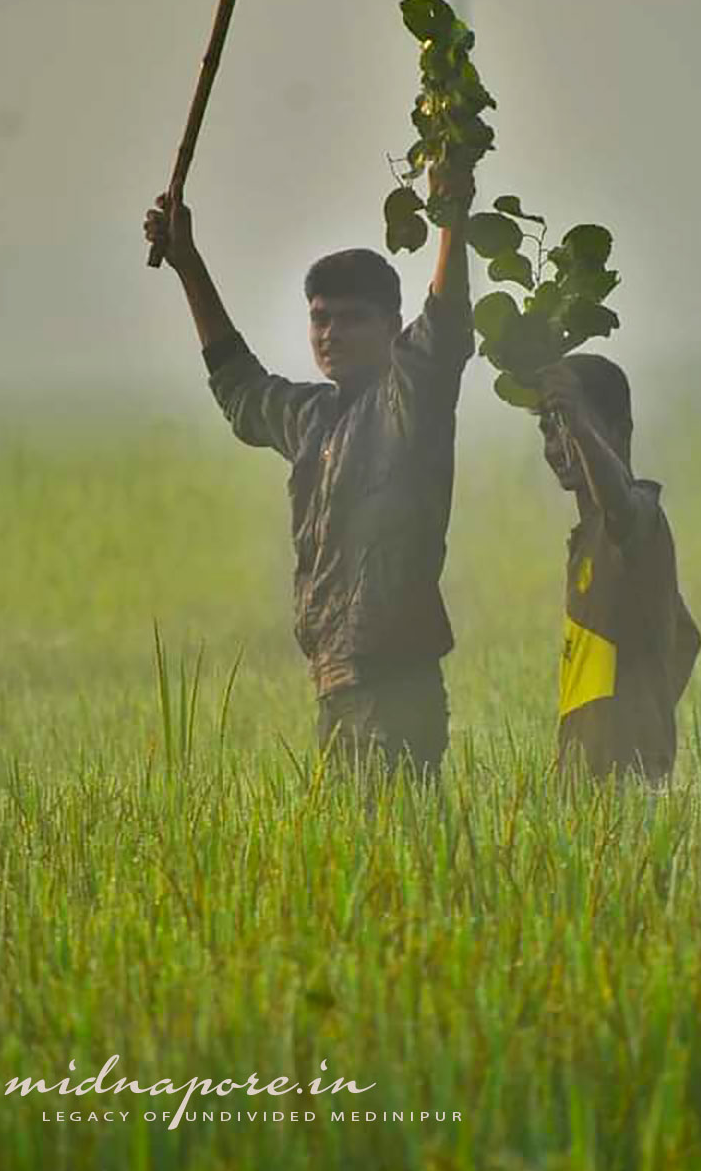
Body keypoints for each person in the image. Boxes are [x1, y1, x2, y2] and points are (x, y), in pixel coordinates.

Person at [143, 184, 473, 779]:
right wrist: (188, 266)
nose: (331, 333)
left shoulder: (407, 405)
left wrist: (453, 213)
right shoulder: (314, 418)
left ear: (394, 328)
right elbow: (241, 390)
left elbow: (444, 329)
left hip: (396, 682)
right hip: (336, 677)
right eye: (320, 319)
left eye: (352, 319)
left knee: (398, 853)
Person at [536, 354, 701, 784]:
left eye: (570, 426)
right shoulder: (587, 538)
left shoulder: (639, 519)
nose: (559, 444)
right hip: (580, 782)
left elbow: (619, 504)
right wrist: (639, 709)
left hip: (628, 783)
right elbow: (686, 637)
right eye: (549, 431)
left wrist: (637, 736)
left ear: (620, 433)